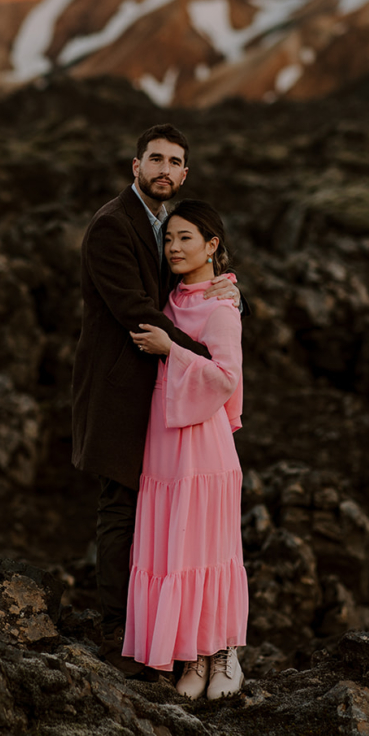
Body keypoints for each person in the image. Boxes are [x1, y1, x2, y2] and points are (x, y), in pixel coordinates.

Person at [71, 124, 237, 677]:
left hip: (163, 394)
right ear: (134, 165)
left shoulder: (169, 227)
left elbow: (191, 283)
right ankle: (119, 632)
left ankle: (163, 632)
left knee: (158, 517)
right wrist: (211, 356)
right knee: (120, 509)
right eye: (155, 159)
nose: (165, 169)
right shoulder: (112, 227)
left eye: (175, 162)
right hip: (121, 392)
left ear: (185, 173)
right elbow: (137, 309)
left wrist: (229, 296)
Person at [124, 200, 247, 699]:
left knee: (208, 548)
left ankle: (224, 654)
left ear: (211, 245)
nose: (174, 248)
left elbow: (226, 377)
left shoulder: (221, 308)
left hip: (204, 446)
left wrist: (170, 350)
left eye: (186, 239)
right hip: (164, 442)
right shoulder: (170, 300)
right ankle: (193, 654)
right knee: (176, 547)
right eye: (169, 239)